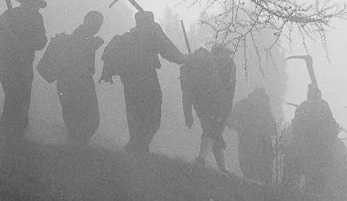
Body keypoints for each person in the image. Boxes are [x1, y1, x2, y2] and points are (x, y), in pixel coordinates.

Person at [100, 10, 186, 156]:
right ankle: (138, 147)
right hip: (146, 78)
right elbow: (167, 50)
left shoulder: (128, 37)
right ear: (149, 21)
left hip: (129, 80)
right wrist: (184, 59)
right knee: (153, 116)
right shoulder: (151, 33)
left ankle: (136, 147)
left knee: (135, 113)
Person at [39, 10, 105, 146]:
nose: (97, 27)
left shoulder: (88, 39)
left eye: (99, 25)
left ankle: (75, 148)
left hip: (82, 83)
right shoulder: (79, 39)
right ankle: (74, 149)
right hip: (71, 83)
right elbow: (77, 53)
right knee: (77, 120)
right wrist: (93, 44)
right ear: (86, 21)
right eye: (94, 23)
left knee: (88, 120)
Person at [0, 0, 49, 138]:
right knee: (14, 95)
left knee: (22, 96)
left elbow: (41, 41)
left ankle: (16, 131)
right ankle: (6, 131)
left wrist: (27, 42)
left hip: (24, 63)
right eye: (33, 4)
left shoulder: (36, 18)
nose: (35, 7)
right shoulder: (9, 16)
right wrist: (14, 44)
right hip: (7, 62)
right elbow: (0, 38)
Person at [181, 43, 237, 171]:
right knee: (212, 132)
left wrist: (187, 114)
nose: (228, 56)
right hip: (219, 105)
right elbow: (229, 90)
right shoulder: (228, 64)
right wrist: (224, 110)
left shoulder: (199, 64)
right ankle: (200, 159)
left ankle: (223, 169)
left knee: (214, 133)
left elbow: (187, 92)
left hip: (201, 104)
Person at [287, 83, 341, 197]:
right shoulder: (323, 106)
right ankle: (315, 199)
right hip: (320, 148)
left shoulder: (303, 107)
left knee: (309, 173)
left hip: (307, 148)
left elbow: (296, 129)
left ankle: (306, 199)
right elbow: (331, 126)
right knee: (317, 176)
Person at [228, 85, 278, 185]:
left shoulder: (243, 103)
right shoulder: (265, 105)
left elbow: (230, 120)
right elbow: (273, 128)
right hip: (262, 141)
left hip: (246, 138)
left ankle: (249, 185)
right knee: (263, 166)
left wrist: (240, 128)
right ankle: (261, 188)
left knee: (247, 163)